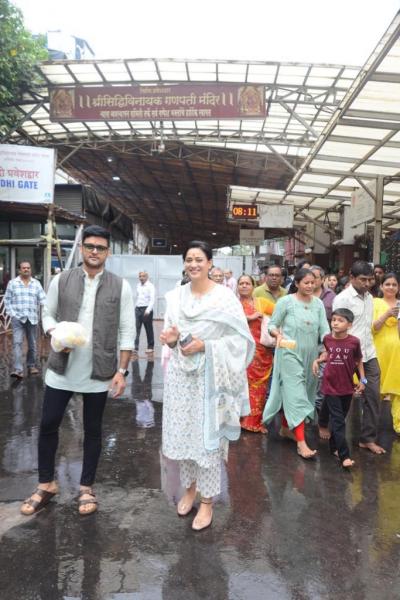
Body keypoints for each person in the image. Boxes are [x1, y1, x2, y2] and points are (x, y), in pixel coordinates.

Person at [20, 225, 135, 516]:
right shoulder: (62, 280)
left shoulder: (120, 286)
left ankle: (86, 488)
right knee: (48, 424)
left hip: (99, 370)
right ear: (82, 248)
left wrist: (122, 371)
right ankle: (46, 484)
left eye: (101, 248)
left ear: (108, 252)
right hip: (62, 368)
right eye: (90, 246)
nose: (95, 252)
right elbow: (47, 313)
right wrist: (55, 333)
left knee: (92, 430)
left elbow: (127, 330)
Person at [160, 241, 254, 531]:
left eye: (199, 259)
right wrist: (172, 342)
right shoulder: (175, 296)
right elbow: (172, 337)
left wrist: (206, 346)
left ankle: (208, 501)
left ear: (210, 263)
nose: (193, 264)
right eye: (189, 259)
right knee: (185, 436)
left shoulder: (225, 298)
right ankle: (189, 490)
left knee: (207, 441)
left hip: (212, 379)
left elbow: (240, 341)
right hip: (181, 378)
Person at [263, 269, 330, 458]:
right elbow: (272, 325)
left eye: (313, 282)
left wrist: (328, 347)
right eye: (306, 282)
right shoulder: (286, 302)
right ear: (297, 283)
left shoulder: (318, 304)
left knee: (305, 392)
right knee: (297, 395)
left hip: (311, 356)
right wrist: (277, 334)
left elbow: (324, 329)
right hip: (288, 352)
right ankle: (302, 443)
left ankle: (285, 428)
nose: (310, 286)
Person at [333, 260, 385, 454]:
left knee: (373, 396)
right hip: (346, 355)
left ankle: (367, 439)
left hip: (368, 354)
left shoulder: (370, 298)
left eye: (370, 280)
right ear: (352, 277)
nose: (367, 283)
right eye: (363, 279)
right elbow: (337, 328)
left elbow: (367, 328)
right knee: (340, 398)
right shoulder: (342, 299)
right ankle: (333, 437)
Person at [313, 308, 366, 468]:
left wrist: (363, 380)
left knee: (340, 418)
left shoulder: (354, 342)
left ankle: (333, 446)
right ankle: (345, 456)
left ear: (349, 325)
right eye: (334, 319)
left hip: (347, 386)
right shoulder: (327, 339)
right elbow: (327, 354)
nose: (335, 323)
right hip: (330, 384)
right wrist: (318, 360)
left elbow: (358, 361)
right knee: (338, 420)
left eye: (340, 320)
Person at [237, 274, 274, 433]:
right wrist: (249, 317)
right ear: (237, 286)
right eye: (241, 283)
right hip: (239, 352)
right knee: (239, 385)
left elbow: (279, 314)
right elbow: (227, 321)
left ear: (253, 286)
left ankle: (253, 422)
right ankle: (237, 420)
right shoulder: (232, 304)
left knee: (259, 388)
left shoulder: (262, 302)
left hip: (261, 352)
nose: (244, 286)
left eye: (247, 283)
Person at [4, 261, 47, 379]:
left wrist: (48, 310)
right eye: (24, 268)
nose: (26, 269)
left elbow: (43, 299)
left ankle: (31, 365)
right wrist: (12, 314)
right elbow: (7, 300)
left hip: (32, 318)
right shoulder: (13, 283)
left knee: (32, 344)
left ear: (31, 269)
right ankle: (18, 370)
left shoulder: (36, 283)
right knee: (17, 343)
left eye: (28, 268)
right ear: (20, 270)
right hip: (17, 318)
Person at [372, 272, 400, 434]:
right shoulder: (375, 303)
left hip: (397, 353)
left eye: (394, 284)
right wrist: (387, 314)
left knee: (398, 388)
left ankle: (398, 424)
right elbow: (373, 328)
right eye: (387, 284)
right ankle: (370, 425)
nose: (391, 287)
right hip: (379, 351)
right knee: (375, 389)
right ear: (381, 286)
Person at [134, 271, 155, 356]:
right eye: (140, 276)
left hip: (146, 309)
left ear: (147, 277)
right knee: (136, 329)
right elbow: (137, 297)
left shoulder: (150, 286)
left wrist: (148, 310)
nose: (141, 278)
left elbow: (152, 299)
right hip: (138, 309)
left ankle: (150, 346)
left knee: (148, 329)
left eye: (143, 276)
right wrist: (135, 307)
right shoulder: (138, 285)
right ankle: (135, 347)